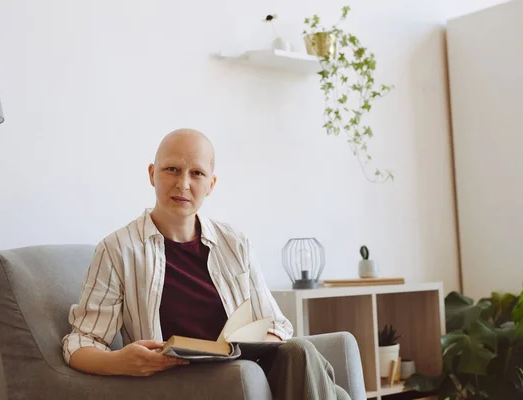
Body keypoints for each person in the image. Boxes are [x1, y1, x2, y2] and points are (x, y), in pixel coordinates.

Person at [62, 128, 351, 400]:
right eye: (171, 169)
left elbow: (275, 322)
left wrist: (262, 339)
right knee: (325, 383)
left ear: (211, 184)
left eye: (197, 173)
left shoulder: (235, 243)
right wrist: (119, 361)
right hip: (181, 380)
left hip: (245, 369)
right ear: (152, 174)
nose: (183, 183)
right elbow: (81, 342)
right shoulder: (118, 249)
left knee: (300, 354)